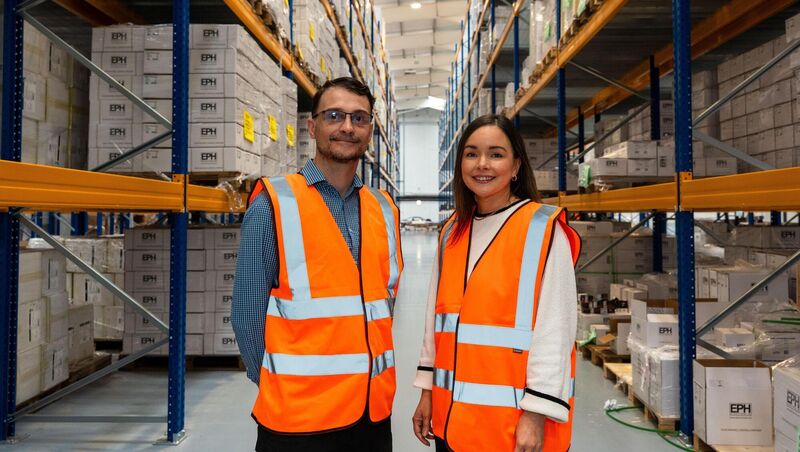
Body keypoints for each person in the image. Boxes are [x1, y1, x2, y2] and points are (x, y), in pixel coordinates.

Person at [232, 77, 404, 452]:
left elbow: (384, 304)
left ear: (370, 130)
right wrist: (274, 382)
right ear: (312, 126)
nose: (347, 126)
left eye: (359, 118)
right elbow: (247, 313)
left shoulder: (384, 210)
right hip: (299, 419)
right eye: (335, 115)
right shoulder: (273, 204)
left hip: (371, 413)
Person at [411, 114, 581, 452]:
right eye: (472, 154)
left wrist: (536, 414)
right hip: (452, 421)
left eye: (496, 154)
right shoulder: (451, 233)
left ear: (516, 164)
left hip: (511, 425)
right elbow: (436, 323)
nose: (482, 164)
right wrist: (427, 390)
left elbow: (556, 332)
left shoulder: (542, 229)